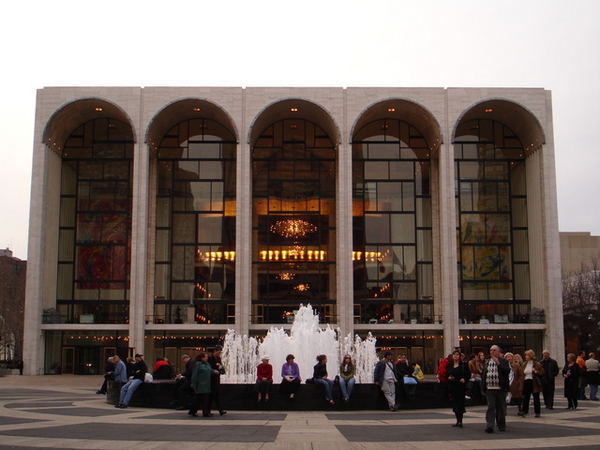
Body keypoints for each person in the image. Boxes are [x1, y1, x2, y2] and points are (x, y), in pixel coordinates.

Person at [481, 345, 510, 433]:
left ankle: (501, 424)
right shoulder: (487, 361)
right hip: (489, 387)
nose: (492, 352)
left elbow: (507, 371)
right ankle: (490, 425)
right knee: (491, 406)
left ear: (498, 352)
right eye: (490, 350)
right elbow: (484, 374)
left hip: (500, 387)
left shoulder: (503, 361)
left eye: (494, 350)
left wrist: (498, 364)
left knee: (501, 407)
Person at [446, 349, 470, 427]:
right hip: (453, 386)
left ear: (460, 356)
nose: (455, 356)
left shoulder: (463, 365)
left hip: (460, 386)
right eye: (454, 355)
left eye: (457, 355)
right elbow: (446, 375)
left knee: (460, 403)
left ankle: (460, 420)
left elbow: (468, 374)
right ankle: (457, 420)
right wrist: (448, 378)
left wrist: (464, 379)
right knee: (454, 403)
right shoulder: (449, 365)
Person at [519, 349, 544, 418]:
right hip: (526, 381)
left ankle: (537, 412)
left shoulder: (537, 364)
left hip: (534, 382)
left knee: (536, 397)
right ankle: (524, 411)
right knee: (526, 397)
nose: (525, 357)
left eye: (527, 355)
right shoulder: (524, 364)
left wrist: (536, 371)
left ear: (530, 356)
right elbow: (522, 373)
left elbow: (542, 372)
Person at [189, 352, 212, 417]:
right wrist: (193, 384)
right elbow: (195, 375)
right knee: (204, 399)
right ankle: (205, 412)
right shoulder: (197, 364)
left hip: (206, 385)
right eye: (206, 357)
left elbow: (211, 370)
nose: (207, 358)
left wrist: (215, 371)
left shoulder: (207, 364)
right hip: (200, 384)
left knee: (199, 399)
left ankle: (193, 411)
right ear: (202, 358)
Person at [207, 345, 226, 416]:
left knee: (214, 395)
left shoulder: (218, 358)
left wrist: (220, 368)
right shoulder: (210, 358)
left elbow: (221, 367)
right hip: (211, 379)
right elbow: (209, 367)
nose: (219, 353)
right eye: (218, 352)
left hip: (216, 379)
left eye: (220, 352)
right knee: (214, 395)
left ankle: (210, 410)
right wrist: (216, 366)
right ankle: (219, 410)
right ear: (214, 351)